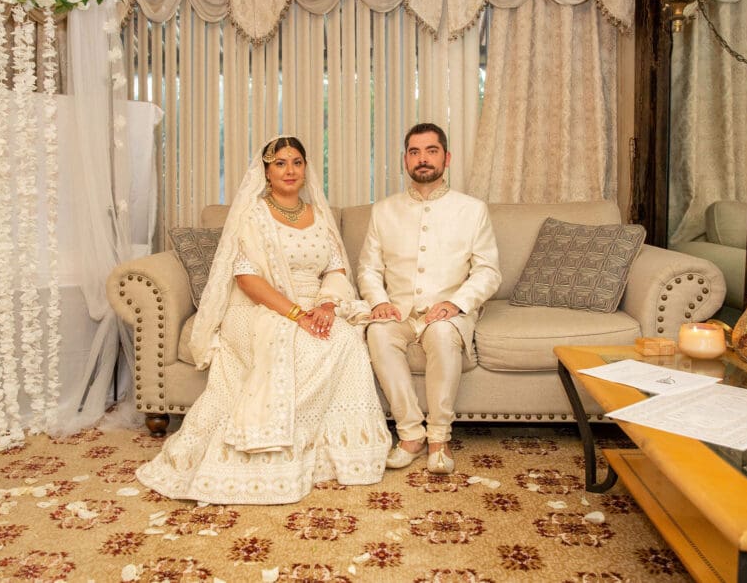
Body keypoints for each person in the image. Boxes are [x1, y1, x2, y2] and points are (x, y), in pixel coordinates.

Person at [136, 136, 390, 504]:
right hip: (257, 307)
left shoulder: (319, 214)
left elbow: (335, 269)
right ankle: (264, 452)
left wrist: (327, 307)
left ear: (306, 169)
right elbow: (247, 278)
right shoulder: (252, 215)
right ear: (266, 171)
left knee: (345, 339)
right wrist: (296, 314)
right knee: (296, 344)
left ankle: (333, 456)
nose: (290, 170)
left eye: (297, 162)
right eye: (281, 163)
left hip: (314, 303)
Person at [357, 123, 501, 474]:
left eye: (431, 151)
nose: (423, 159)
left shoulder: (472, 209)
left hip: (448, 311)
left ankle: (439, 437)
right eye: (415, 152)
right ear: (405, 160)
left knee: (440, 333)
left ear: (446, 158)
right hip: (400, 311)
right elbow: (367, 269)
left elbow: (488, 271)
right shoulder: (383, 210)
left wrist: (457, 304)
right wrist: (379, 302)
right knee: (377, 332)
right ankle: (409, 434)